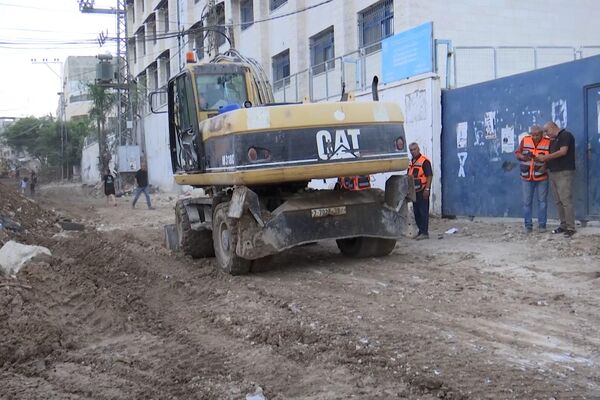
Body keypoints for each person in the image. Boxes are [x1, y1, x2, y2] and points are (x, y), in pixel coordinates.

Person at [535, 121, 576, 237]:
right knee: (558, 201)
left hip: (563, 172)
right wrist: (544, 165)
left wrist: (545, 157)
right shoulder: (552, 141)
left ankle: (570, 227)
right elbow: (551, 156)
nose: (546, 134)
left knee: (566, 200)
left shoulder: (565, 135)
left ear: (553, 127)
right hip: (553, 172)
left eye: (547, 131)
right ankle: (563, 225)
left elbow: (563, 152)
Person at [514, 125, 550, 233]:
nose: (535, 137)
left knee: (542, 202)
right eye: (533, 135)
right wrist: (522, 157)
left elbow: (552, 156)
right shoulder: (525, 140)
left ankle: (542, 225)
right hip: (526, 177)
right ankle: (528, 226)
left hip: (541, 177)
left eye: (537, 135)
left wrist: (546, 165)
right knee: (526, 203)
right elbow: (517, 153)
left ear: (542, 134)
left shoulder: (548, 142)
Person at [408, 143, 433, 240]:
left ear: (418, 149)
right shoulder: (411, 162)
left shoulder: (424, 161)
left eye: (414, 149)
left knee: (423, 212)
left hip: (422, 191)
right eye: (411, 150)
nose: (413, 151)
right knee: (416, 212)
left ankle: (424, 233)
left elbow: (429, 176)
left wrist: (427, 189)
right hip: (414, 191)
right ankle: (420, 231)